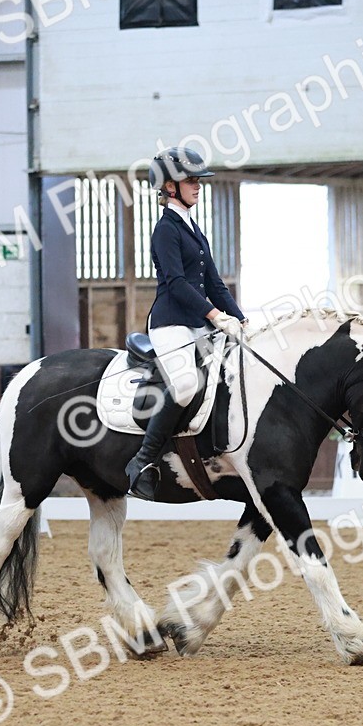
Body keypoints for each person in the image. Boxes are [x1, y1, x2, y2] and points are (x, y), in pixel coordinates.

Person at [124, 146, 247, 500]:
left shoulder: (194, 229)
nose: (197, 185)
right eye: (190, 179)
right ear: (170, 187)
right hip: (171, 323)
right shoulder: (166, 229)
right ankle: (142, 461)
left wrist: (241, 321)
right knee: (183, 385)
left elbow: (215, 285)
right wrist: (214, 316)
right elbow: (176, 284)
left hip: (200, 324)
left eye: (198, 180)